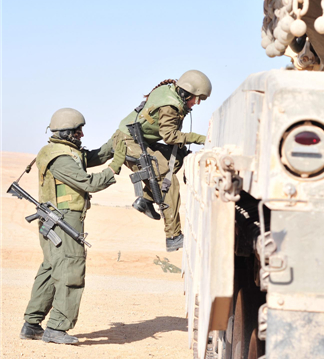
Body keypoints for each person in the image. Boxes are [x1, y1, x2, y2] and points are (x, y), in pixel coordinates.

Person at [20, 108, 126, 344]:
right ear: (67, 132)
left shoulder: (67, 152)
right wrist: (114, 167)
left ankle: (32, 325)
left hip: (58, 219)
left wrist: (119, 137)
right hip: (63, 220)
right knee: (71, 269)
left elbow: (94, 156)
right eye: (78, 132)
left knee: (50, 270)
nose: (81, 135)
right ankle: (57, 328)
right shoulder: (60, 158)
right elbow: (88, 183)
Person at [112, 70, 212, 252]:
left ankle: (146, 200)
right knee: (168, 182)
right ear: (185, 93)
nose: (195, 104)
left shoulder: (170, 91)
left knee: (177, 157)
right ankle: (173, 236)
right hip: (129, 142)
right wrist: (202, 138)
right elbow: (170, 136)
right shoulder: (170, 105)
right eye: (195, 99)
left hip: (131, 138)